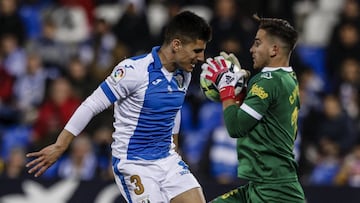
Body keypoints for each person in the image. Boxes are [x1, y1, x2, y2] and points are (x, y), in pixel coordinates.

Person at [25, 10, 211, 203]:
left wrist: (175, 147)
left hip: (167, 160)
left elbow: (173, 110)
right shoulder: (133, 71)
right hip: (134, 164)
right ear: (176, 45)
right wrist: (61, 144)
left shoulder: (184, 74)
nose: (201, 58)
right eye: (197, 51)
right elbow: (91, 104)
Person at [201, 15, 305, 202]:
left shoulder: (268, 82)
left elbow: (236, 127)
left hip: (275, 192)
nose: (251, 49)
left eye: (257, 43)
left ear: (274, 49)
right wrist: (239, 92)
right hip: (263, 185)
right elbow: (260, 116)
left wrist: (226, 88)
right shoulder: (288, 78)